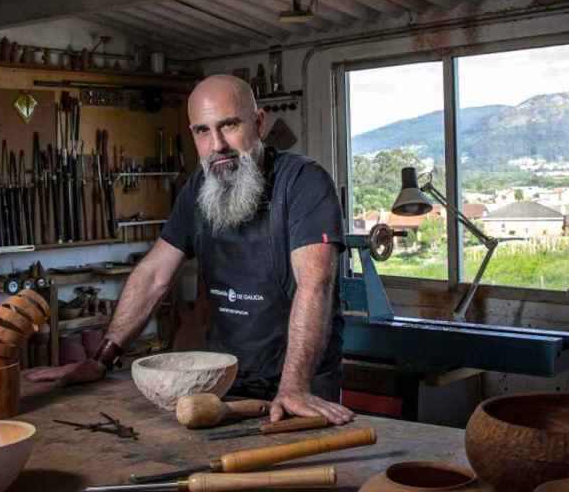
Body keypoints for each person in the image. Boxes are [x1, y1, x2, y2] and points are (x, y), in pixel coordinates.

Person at [27, 75, 353, 424]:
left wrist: (294, 388)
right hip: (224, 384)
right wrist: (101, 359)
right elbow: (154, 275)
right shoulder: (200, 187)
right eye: (202, 131)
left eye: (229, 125)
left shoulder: (303, 183)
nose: (217, 145)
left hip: (300, 389)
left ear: (258, 122)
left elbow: (314, 284)